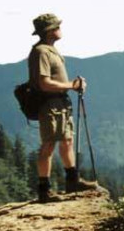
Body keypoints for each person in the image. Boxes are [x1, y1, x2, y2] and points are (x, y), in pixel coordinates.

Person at [28, 13, 97, 203]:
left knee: (66, 141)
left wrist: (71, 86)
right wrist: (71, 86)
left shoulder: (50, 50)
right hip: (50, 104)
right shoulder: (41, 52)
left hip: (59, 103)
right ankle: (44, 190)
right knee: (49, 144)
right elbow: (44, 84)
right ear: (50, 30)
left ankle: (72, 181)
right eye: (57, 27)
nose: (60, 29)